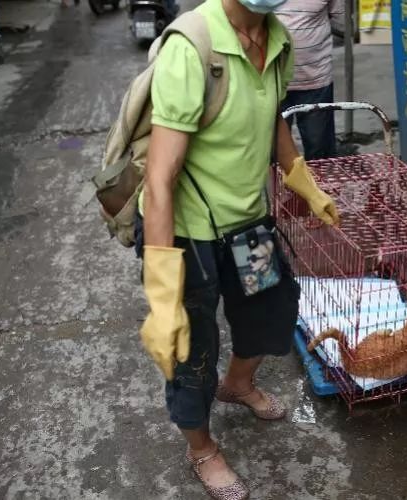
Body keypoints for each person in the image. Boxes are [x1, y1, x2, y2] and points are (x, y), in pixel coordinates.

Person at [137, 0, 339, 498]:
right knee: (192, 350)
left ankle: (239, 385)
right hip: (191, 231)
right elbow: (160, 180)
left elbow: (273, 119)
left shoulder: (280, 39)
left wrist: (304, 183)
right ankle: (202, 448)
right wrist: (162, 299)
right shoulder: (192, 47)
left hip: (249, 222)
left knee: (271, 311)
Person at [275, 0, 343, 160]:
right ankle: (279, 185)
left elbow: (342, 22)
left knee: (319, 151)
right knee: (273, 151)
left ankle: (318, 185)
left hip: (315, 81)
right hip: (272, 82)